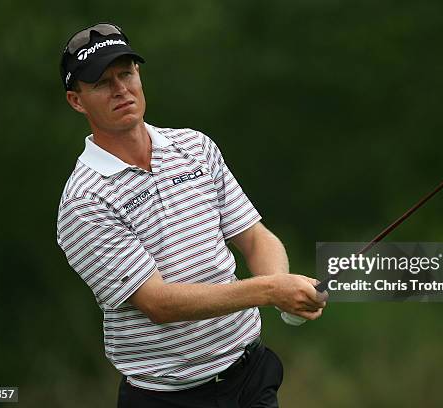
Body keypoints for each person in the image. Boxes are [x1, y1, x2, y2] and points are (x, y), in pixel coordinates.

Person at [56, 22, 327, 408]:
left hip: (250, 376)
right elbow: (160, 303)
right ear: (76, 100)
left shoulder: (194, 147)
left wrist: (283, 289)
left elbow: (254, 237)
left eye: (126, 73)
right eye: (101, 82)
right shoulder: (84, 200)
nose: (120, 89)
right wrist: (270, 291)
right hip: (169, 397)